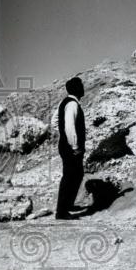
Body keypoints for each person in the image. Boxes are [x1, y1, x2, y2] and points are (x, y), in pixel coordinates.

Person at [55, 76, 86, 220]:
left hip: (65, 144)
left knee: (77, 174)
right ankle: (61, 212)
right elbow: (69, 126)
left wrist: (61, 134)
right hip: (70, 147)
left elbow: (54, 120)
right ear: (76, 89)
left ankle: (68, 205)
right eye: (81, 85)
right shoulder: (72, 104)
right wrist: (74, 146)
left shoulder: (65, 102)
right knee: (69, 177)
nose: (83, 88)